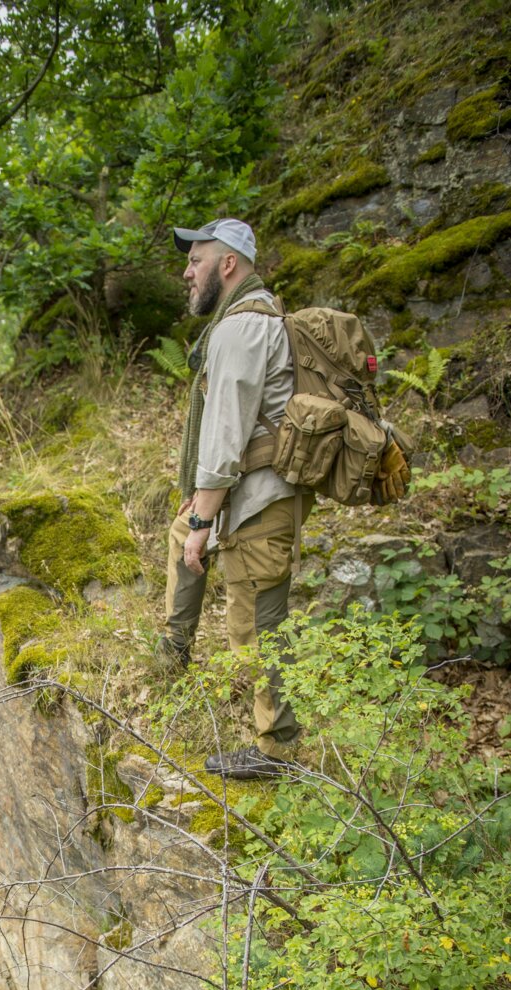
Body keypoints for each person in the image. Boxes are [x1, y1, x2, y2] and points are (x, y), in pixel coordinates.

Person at [163, 216, 313, 780]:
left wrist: (206, 513)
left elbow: (225, 436)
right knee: (181, 537)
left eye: (195, 261)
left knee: (257, 623)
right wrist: (195, 517)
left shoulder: (239, 330)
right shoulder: (249, 319)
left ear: (228, 264)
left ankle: (276, 749)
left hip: (258, 497)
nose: (187, 272)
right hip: (254, 491)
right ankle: (174, 648)